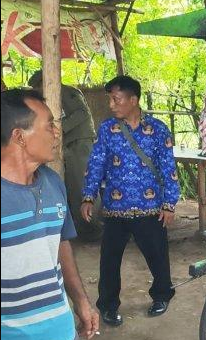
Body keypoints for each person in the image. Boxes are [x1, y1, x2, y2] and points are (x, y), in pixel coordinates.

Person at [80, 76, 180, 326]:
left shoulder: (158, 129)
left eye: (116, 99)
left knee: (157, 255)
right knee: (109, 261)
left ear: (133, 100)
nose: (112, 105)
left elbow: (168, 167)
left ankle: (162, 295)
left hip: (151, 208)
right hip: (115, 210)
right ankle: (108, 306)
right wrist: (88, 196)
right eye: (110, 99)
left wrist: (169, 204)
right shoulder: (106, 129)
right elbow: (96, 164)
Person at [1, 89, 99, 339]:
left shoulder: (53, 182)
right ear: (20, 137)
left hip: (61, 328)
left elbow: (60, 242)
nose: (57, 132)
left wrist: (80, 300)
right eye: (49, 125)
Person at [28, 70, 101, 241]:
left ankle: (94, 226)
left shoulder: (67, 92)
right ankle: (83, 227)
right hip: (69, 144)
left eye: (37, 87)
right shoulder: (52, 96)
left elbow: (82, 114)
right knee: (72, 187)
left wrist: (59, 129)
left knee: (82, 185)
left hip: (80, 143)